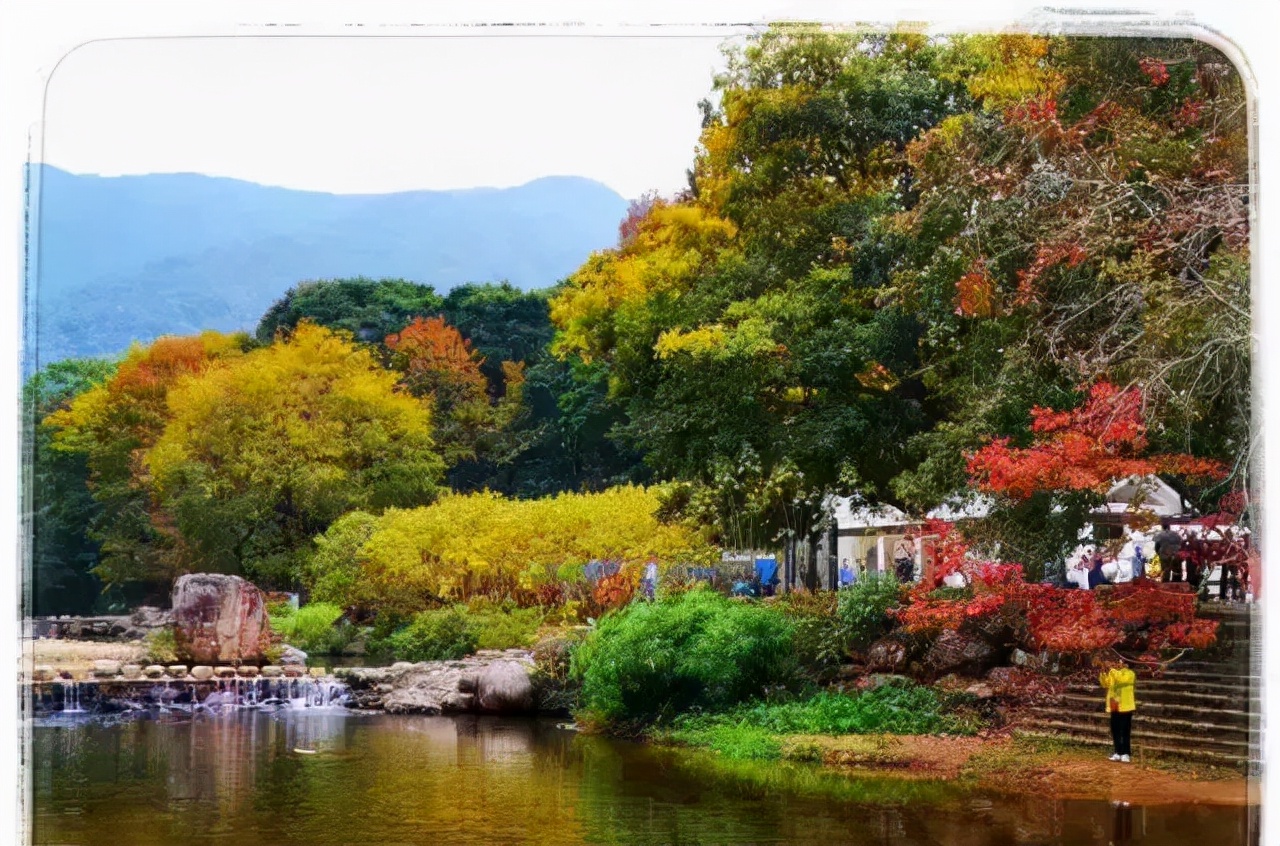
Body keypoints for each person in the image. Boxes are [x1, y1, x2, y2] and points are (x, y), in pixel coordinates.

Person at [1098, 661, 1137, 762]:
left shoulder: (1130, 673)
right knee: (1115, 730)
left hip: (1125, 706)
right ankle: (1117, 752)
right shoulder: (1114, 672)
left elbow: (1121, 679)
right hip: (1114, 705)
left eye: (1120, 661)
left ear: (1126, 664)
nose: (1117, 663)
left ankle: (1126, 753)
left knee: (1125, 730)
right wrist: (1103, 672)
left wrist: (1111, 669)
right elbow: (1105, 684)